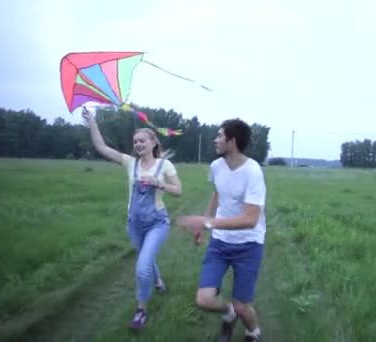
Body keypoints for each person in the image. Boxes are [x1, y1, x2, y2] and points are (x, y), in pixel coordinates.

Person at [81, 107, 182, 330]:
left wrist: (160, 184)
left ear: (153, 142)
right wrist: (93, 122)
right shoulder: (130, 163)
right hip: (134, 224)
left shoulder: (164, 165)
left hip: (157, 223)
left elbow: (178, 190)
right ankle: (158, 282)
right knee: (147, 259)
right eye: (135, 141)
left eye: (142, 141)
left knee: (142, 266)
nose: (137, 145)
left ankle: (141, 311)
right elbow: (101, 147)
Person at [176, 118, 266, 342]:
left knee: (243, 306)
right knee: (204, 299)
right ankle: (228, 314)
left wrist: (207, 222)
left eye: (219, 136)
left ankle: (253, 333)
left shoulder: (253, 172)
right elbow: (218, 192)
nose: (215, 140)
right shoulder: (217, 166)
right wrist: (205, 223)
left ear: (232, 141)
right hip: (220, 243)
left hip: (248, 244)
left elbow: (250, 219)